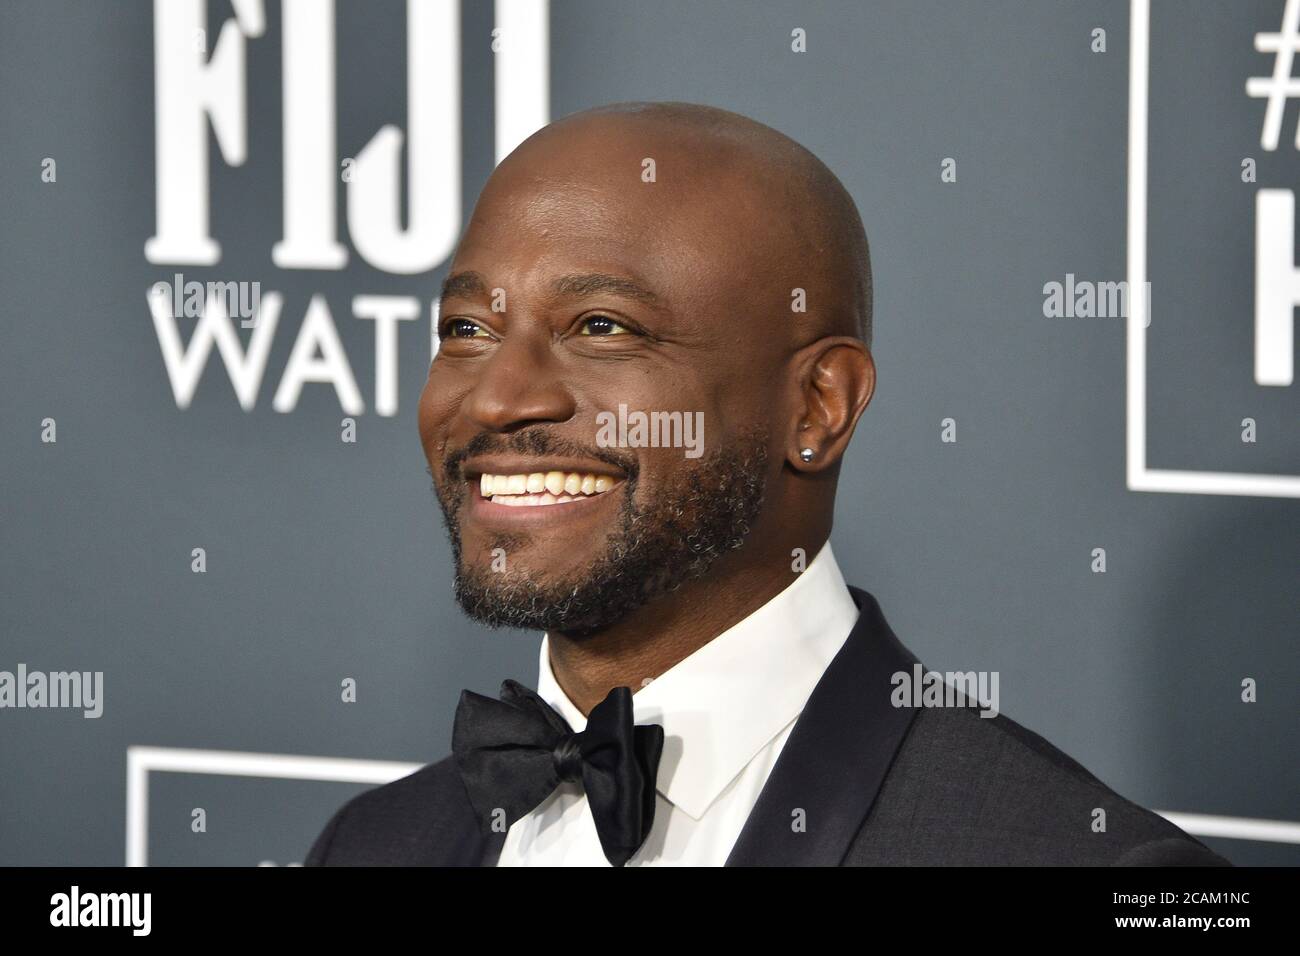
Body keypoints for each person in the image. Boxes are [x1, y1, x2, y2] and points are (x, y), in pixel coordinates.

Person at [305, 102, 1227, 866]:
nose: (501, 396)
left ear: (818, 405)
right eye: (467, 329)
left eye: (602, 326)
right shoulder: (373, 846)